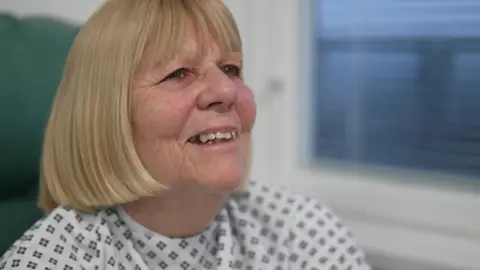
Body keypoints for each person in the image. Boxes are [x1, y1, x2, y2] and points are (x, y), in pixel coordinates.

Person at [0, 0, 371, 269]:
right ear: (107, 117)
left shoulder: (303, 230)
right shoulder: (50, 261)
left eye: (231, 68)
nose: (226, 90)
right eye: (179, 73)